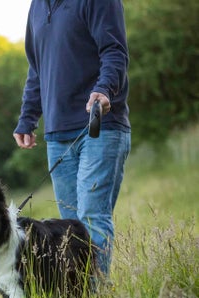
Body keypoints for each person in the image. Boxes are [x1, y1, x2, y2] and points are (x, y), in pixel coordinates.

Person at [13, 0, 131, 279]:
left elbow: (115, 51)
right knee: (70, 229)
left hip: (99, 125)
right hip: (57, 134)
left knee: (92, 217)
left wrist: (104, 89)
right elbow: (36, 68)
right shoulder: (38, 6)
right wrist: (28, 116)